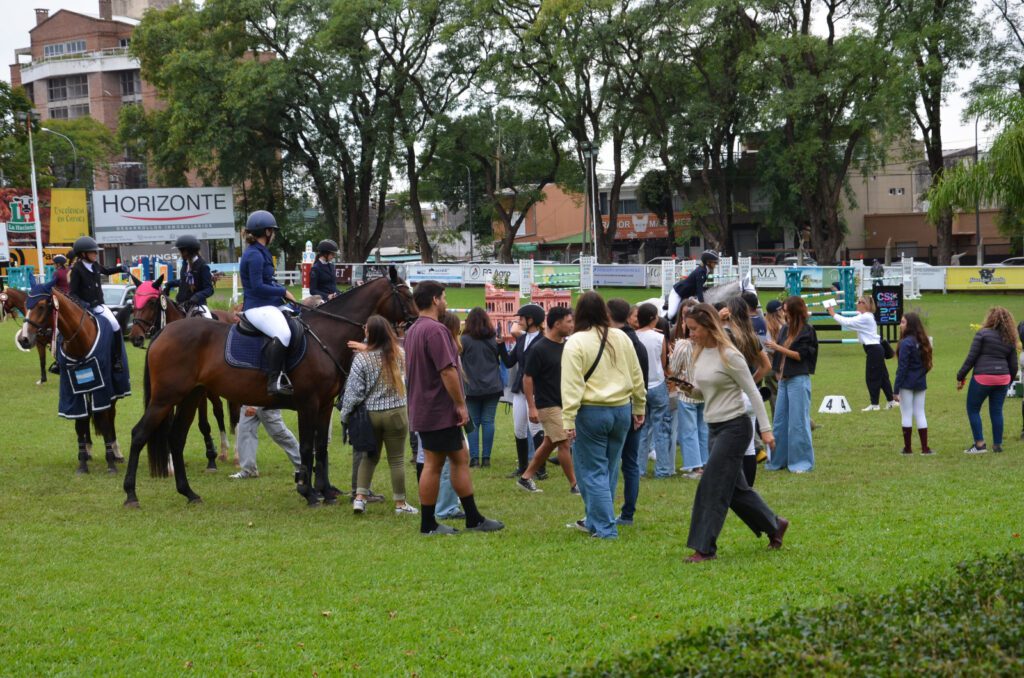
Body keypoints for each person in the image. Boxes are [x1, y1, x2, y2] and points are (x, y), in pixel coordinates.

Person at [680, 303, 787, 563]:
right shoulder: (700, 353)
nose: (690, 334)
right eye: (688, 329)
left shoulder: (730, 354)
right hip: (714, 426)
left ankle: (704, 549)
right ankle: (775, 525)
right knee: (735, 490)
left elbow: (753, 392)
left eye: (694, 329)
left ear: (708, 327)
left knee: (712, 485)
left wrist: (766, 430)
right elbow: (705, 392)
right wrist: (687, 389)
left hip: (735, 428)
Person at [405, 280, 503, 535]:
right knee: (434, 464)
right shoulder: (436, 330)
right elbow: (447, 371)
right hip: (438, 409)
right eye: (444, 297)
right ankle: (429, 524)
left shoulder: (414, 330)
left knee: (459, 458)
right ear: (435, 300)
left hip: (426, 407)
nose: (446, 302)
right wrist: (460, 404)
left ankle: (472, 517)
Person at [561, 291, 646, 539]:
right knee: (608, 468)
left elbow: (571, 385)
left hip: (591, 411)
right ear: (604, 312)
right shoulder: (621, 336)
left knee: (592, 471)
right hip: (621, 410)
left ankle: (605, 527)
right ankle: (596, 519)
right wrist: (639, 406)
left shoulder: (576, 342)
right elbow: (636, 375)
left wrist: (568, 419)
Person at [338, 315, 417, 515]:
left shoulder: (361, 359)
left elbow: (353, 392)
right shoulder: (399, 354)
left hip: (371, 413)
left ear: (369, 334)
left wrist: (345, 416)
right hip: (397, 412)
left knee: (369, 457)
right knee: (396, 460)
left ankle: (359, 498)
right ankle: (400, 504)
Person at [518, 305, 578, 493]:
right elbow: (527, 378)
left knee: (549, 443)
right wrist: (532, 407)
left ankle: (525, 478)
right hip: (547, 404)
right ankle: (575, 485)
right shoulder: (539, 348)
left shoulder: (568, 346)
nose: (572, 325)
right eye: (569, 322)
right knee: (564, 443)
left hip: (564, 403)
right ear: (557, 324)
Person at [239, 210, 298, 396]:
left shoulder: (261, 252)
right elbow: (257, 287)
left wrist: (283, 295)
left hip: (269, 304)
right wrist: (283, 291)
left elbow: (269, 280)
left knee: (299, 318)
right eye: (272, 230)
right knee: (284, 333)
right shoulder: (254, 255)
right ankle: (274, 381)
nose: (273, 234)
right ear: (266, 232)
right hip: (257, 306)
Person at [607, 298, 649, 527]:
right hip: (636, 406)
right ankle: (627, 513)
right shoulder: (637, 342)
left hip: (621, 406)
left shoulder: (617, 342)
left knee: (611, 462)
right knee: (630, 463)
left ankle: (605, 512)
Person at [723, 296, 772, 486]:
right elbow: (766, 366)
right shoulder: (751, 336)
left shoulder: (726, 336)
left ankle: (736, 486)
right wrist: (751, 382)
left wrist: (718, 319)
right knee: (749, 447)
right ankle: (748, 487)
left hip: (732, 394)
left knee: (729, 446)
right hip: (750, 395)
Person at [765, 296, 817, 473]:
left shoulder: (807, 331)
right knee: (779, 422)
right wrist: (777, 370)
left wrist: (777, 347)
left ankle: (801, 462)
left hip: (798, 380)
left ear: (795, 311)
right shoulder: (785, 329)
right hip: (783, 380)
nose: (783, 313)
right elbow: (781, 356)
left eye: (785, 310)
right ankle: (777, 461)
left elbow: (800, 355)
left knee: (798, 423)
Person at [957, 306, 1020, 454]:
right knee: (997, 411)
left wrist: (960, 376)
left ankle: (979, 445)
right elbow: (1014, 365)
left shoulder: (982, 334)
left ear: (990, 319)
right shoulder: (1010, 339)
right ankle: (997, 445)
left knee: (973, 409)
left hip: (983, 377)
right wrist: (1008, 381)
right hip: (1003, 378)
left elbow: (971, 358)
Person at [498, 304, 547, 478]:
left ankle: (540, 469)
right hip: (519, 390)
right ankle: (522, 466)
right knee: (519, 428)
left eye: (521, 318)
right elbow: (509, 362)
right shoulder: (521, 339)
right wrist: (501, 346)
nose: (518, 321)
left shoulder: (543, 341)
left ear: (531, 320)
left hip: (536, 391)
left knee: (535, 428)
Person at [68, 236, 129, 372]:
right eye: (93, 252)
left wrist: (120, 269)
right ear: (83, 254)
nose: (96, 254)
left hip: (99, 305)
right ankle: (60, 359)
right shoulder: (77, 270)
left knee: (115, 325)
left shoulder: (95, 265)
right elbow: (72, 293)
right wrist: (83, 303)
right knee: (65, 329)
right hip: (84, 307)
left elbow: (106, 271)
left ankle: (117, 359)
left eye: (96, 251)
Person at [827, 294, 896, 411]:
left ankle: (875, 404)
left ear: (866, 305)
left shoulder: (865, 318)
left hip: (873, 349)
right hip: (876, 349)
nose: (857, 304)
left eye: (860, 302)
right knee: (883, 377)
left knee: (872, 377)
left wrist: (833, 313)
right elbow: (851, 320)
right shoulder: (865, 316)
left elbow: (847, 322)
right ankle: (891, 401)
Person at [460, 307, 504, 467]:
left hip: (471, 387)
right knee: (488, 421)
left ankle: (474, 458)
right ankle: (486, 458)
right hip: (493, 386)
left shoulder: (464, 340)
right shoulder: (494, 339)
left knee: (473, 422)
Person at [669, 298, 708, 479]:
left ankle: (695, 466)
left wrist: (672, 357)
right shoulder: (707, 344)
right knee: (703, 429)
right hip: (704, 391)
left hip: (687, 392)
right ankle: (705, 463)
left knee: (689, 431)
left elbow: (674, 368)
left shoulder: (683, 345)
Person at [635, 303, 672, 478]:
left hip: (639, 386)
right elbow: (663, 362)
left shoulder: (633, 337)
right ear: (652, 318)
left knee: (641, 429)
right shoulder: (659, 337)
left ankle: (639, 469)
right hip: (657, 383)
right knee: (661, 429)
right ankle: (663, 469)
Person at [893, 312, 934, 455]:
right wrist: (920, 375)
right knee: (920, 413)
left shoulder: (905, 343)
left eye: (903, 322)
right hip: (920, 382)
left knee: (906, 414)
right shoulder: (923, 341)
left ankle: (908, 448)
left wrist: (895, 390)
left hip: (906, 384)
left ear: (910, 325)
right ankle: (925, 448)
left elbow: (902, 367)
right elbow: (928, 364)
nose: (900, 325)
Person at [230, 405, 303, 480]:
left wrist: (254, 406)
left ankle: (303, 465)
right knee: (245, 432)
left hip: (266, 403)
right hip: (248, 402)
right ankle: (248, 470)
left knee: (280, 434)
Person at [164, 234, 214, 318]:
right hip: (182, 305)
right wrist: (170, 284)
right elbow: (185, 281)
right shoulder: (185, 264)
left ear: (187, 251)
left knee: (209, 320)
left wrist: (197, 296)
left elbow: (209, 289)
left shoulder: (202, 266)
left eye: (181, 251)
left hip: (197, 305)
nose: (180, 253)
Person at [667, 250, 719, 320]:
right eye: (714, 262)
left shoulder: (705, 270)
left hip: (687, 294)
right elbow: (699, 290)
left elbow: (700, 287)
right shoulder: (701, 271)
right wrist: (703, 305)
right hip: (678, 292)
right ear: (708, 262)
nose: (715, 264)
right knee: (671, 314)